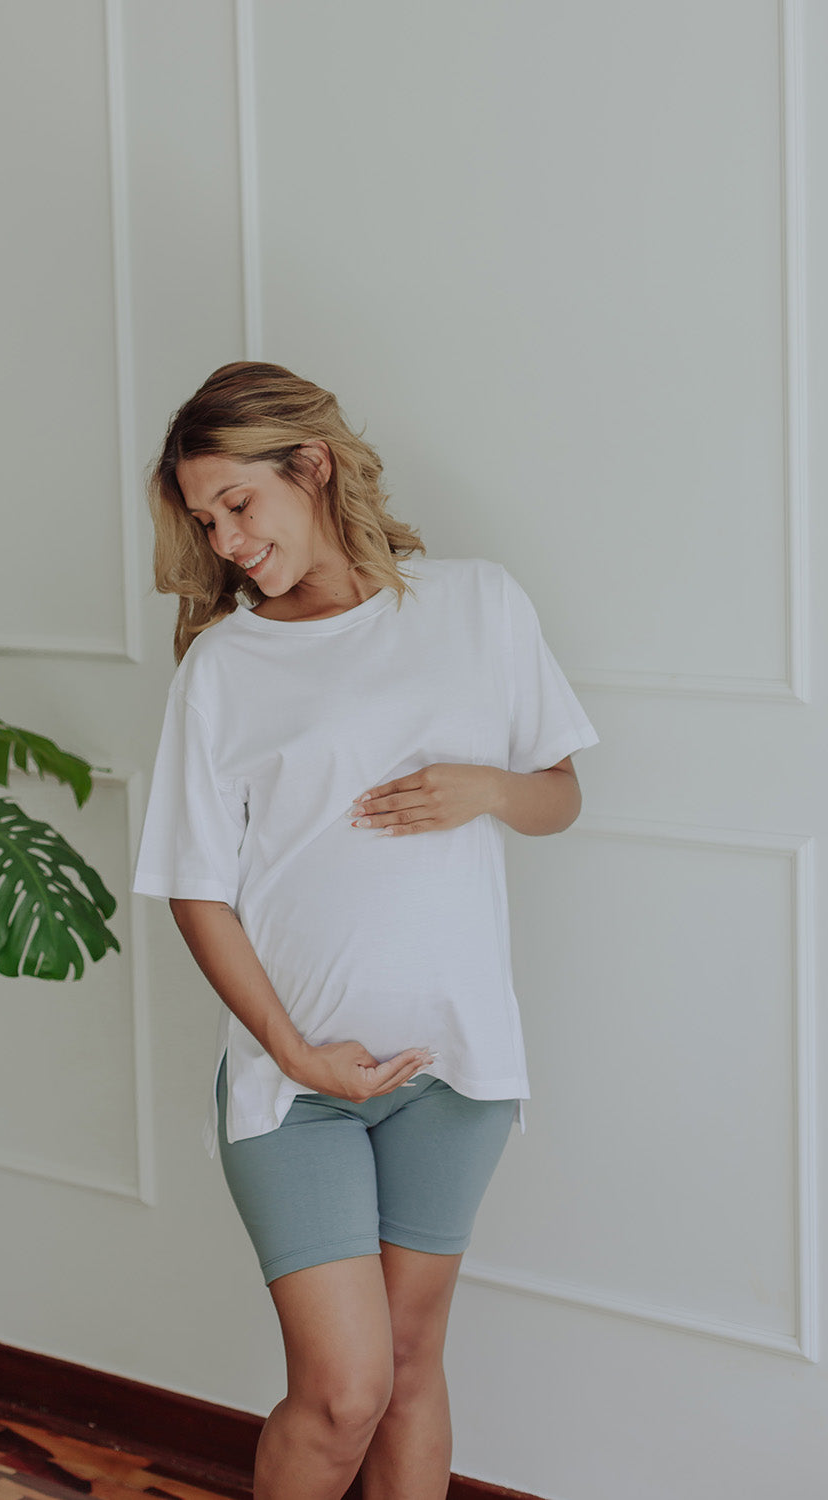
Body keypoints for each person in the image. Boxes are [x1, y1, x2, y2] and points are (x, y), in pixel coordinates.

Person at [133, 361, 597, 1500]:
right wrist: (292, 1055)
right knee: (340, 1390)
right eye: (205, 521)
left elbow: (558, 795)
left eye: (237, 504)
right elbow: (197, 890)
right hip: (295, 1084)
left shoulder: (478, 603)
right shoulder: (225, 666)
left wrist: (484, 787)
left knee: (406, 1364)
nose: (226, 539)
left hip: (456, 1066)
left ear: (312, 463)